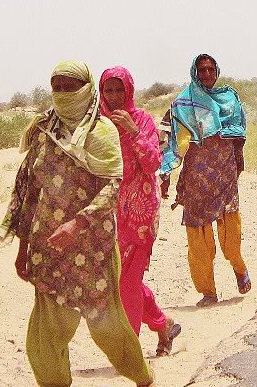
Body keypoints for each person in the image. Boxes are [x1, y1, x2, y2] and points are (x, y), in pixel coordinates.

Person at [0, 61, 155, 387]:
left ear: (86, 87)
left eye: (72, 87)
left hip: (93, 251)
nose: (65, 94)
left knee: (107, 328)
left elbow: (112, 188)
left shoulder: (103, 131)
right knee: (44, 338)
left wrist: (77, 226)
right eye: (58, 87)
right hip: (48, 249)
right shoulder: (42, 132)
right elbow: (29, 192)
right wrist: (23, 247)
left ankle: (143, 377)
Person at [99, 66, 182, 357]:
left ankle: (129, 351)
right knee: (116, 282)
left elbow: (152, 163)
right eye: (108, 90)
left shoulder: (142, 120)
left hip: (141, 213)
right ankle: (163, 324)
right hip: (108, 214)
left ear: (129, 90)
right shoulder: (97, 124)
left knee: (128, 282)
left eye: (119, 89)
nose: (114, 96)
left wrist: (133, 133)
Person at [159, 53, 251, 308]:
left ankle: (238, 266)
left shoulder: (229, 97)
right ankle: (207, 291)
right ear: (194, 72)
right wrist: (165, 173)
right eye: (202, 70)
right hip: (197, 175)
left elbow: (240, 135)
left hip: (224, 171)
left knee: (230, 225)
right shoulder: (184, 102)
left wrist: (238, 165)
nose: (208, 74)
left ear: (217, 71)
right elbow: (170, 137)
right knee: (198, 233)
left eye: (211, 69)